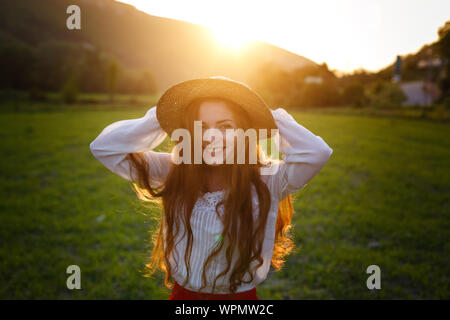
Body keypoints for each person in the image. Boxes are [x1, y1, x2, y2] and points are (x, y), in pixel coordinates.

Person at [89, 76, 333, 300]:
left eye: (226, 126)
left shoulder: (268, 179)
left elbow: (317, 153)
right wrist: (162, 117)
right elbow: (104, 147)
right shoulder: (174, 171)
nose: (211, 136)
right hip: (184, 297)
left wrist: (270, 117)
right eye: (201, 126)